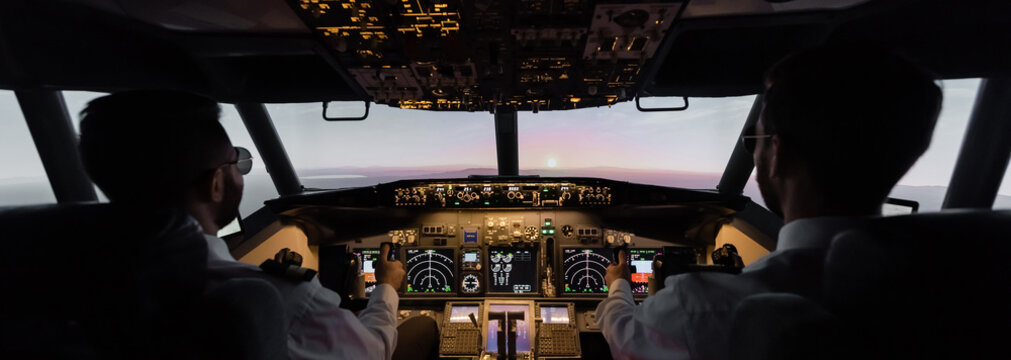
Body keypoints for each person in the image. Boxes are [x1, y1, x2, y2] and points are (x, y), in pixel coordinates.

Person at [595, 45, 943, 360]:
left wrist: (618, 283)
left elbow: (625, 339)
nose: (754, 153)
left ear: (778, 154)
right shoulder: (947, 289)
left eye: (753, 140)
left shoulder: (704, 308)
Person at [78, 91, 416, 360]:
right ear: (215, 183)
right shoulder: (272, 297)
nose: (239, 172)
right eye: (236, 162)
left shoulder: (75, 276)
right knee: (424, 327)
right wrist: (386, 286)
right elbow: (373, 351)